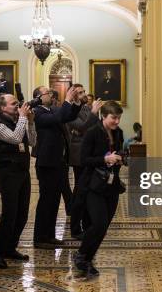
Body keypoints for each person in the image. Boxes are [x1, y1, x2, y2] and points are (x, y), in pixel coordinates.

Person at [74, 101, 125, 278]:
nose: (116, 121)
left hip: (111, 185)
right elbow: (84, 160)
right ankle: (81, 256)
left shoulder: (119, 133)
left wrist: (120, 158)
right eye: (113, 118)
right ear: (104, 116)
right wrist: (105, 160)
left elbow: (118, 151)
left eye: (119, 118)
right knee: (98, 223)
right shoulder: (92, 133)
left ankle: (87, 259)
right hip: (93, 185)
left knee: (103, 227)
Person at [32, 85, 82, 249]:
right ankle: (40, 237)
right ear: (39, 97)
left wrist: (75, 103)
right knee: (46, 201)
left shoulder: (51, 109)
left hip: (58, 161)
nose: (51, 94)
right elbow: (58, 117)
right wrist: (66, 100)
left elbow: (66, 116)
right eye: (47, 92)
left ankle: (50, 236)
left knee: (54, 202)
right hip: (46, 163)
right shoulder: (37, 112)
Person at [0, 95, 36, 269]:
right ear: (2, 108)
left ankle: (10, 248)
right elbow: (16, 138)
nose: (18, 105)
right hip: (8, 172)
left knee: (22, 214)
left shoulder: (20, 121)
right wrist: (24, 118)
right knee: (9, 215)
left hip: (23, 171)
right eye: (13, 104)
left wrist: (30, 122)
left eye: (18, 103)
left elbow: (32, 141)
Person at [67, 85, 103, 239]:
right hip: (79, 156)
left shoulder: (86, 108)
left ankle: (88, 225)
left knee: (88, 191)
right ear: (73, 95)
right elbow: (81, 127)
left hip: (90, 154)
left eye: (83, 92)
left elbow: (93, 127)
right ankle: (75, 229)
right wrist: (94, 112)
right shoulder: (71, 110)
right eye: (80, 93)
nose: (84, 94)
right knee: (80, 193)